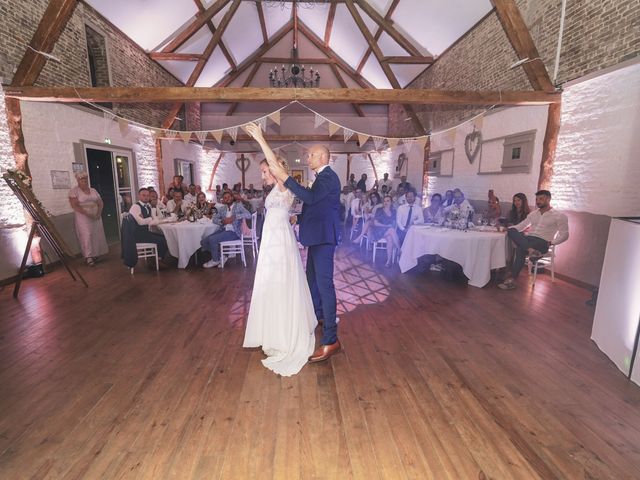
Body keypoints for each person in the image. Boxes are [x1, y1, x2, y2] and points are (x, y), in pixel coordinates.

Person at [247, 124, 342, 364]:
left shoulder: (329, 177)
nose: (307, 157)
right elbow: (315, 206)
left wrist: (287, 178)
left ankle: (331, 339)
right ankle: (316, 317)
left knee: (325, 285)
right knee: (310, 283)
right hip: (315, 236)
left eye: (310, 155)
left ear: (321, 157)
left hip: (323, 239)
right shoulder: (321, 178)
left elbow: (309, 197)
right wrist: (297, 217)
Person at [242, 129, 318, 376]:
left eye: (265, 171)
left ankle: (284, 336)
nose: (263, 174)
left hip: (279, 244)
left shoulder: (285, 186)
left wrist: (260, 138)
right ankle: (273, 332)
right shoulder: (275, 191)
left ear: (275, 171)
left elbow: (274, 164)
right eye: (263, 171)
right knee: (271, 286)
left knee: (281, 285)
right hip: (271, 243)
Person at [498, 190, 569, 290]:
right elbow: (521, 226)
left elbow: (565, 235)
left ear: (548, 199)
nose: (538, 201)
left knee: (520, 249)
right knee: (511, 230)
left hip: (543, 242)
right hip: (529, 239)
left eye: (541, 199)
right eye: (536, 199)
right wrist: (508, 229)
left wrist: (551, 242)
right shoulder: (533, 214)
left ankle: (512, 279)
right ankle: (531, 251)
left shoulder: (559, 216)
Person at [200, 190, 251, 268]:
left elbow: (248, 215)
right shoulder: (222, 208)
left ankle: (215, 260)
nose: (227, 199)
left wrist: (235, 217)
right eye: (225, 198)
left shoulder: (238, 206)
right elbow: (214, 219)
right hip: (224, 230)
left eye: (229, 197)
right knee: (203, 242)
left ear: (232, 197)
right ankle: (221, 257)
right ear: (223, 200)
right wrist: (222, 222)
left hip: (234, 232)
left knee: (212, 239)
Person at [68, 172, 108, 266]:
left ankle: (96, 254)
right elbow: (75, 206)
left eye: (86, 179)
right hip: (83, 217)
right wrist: (88, 214)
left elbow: (100, 202)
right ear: (78, 180)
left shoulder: (93, 190)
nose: (84, 181)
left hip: (96, 216)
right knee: (87, 235)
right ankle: (88, 256)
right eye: (82, 179)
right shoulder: (74, 191)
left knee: (96, 234)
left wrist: (98, 213)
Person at [128, 188, 169, 261]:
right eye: (143, 195)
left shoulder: (148, 206)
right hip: (138, 235)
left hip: (146, 232)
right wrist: (150, 219)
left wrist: (149, 219)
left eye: (147, 195)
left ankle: (156, 259)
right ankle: (156, 260)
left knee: (166, 237)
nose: (146, 197)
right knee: (163, 240)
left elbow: (155, 220)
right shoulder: (135, 207)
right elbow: (141, 222)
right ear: (139, 196)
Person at [372, 195, 401, 268]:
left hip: (388, 232)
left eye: (388, 201)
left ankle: (389, 261)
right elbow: (375, 223)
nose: (386, 202)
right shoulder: (379, 210)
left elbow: (394, 224)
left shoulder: (394, 211)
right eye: (384, 201)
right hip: (378, 231)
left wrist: (391, 226)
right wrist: (386, 226)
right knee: (391, 230)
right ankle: (399, 250)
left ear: (391, 202)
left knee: (390, 238)